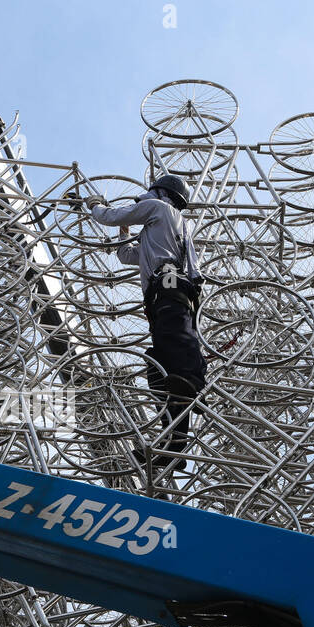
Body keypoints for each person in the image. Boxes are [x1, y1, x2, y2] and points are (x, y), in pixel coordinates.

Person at [83, 174, 206, 472]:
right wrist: (125, 233)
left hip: (169, 288)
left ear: (160, 193)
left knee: (178, 346)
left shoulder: (159, 209)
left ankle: (196, 379)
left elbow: (109, 216)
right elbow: (127, 256)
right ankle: (173, 443)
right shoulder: (163, 228)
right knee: (159, 367)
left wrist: (95, 206)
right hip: (164, 293)